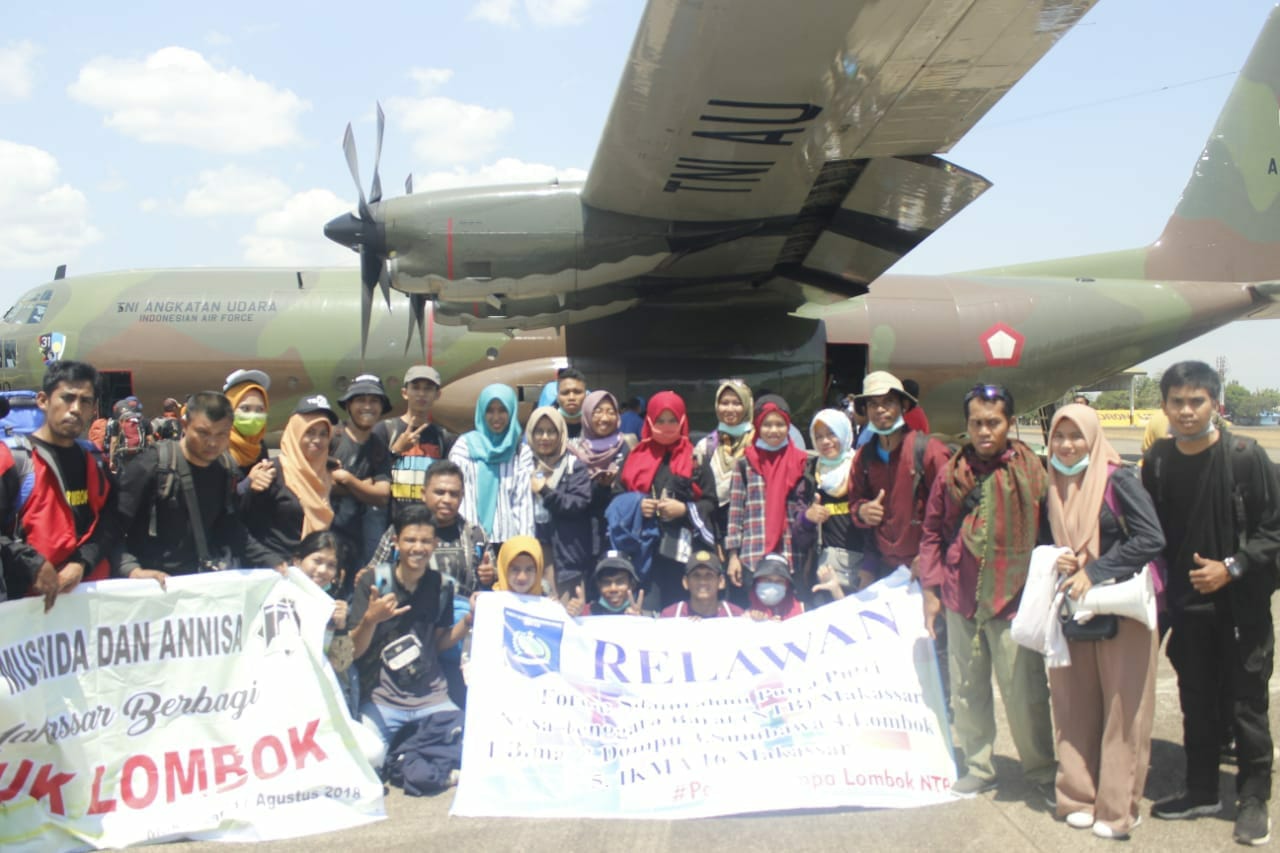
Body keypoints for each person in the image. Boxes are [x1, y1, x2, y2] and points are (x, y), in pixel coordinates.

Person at [1142, 361, 1280, 845]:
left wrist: (1233, 567)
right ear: (1164, 406)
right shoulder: (1157, 461)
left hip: (1240, 609)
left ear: (1214, 405)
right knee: (1195, 703)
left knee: (1246, 707)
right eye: (1176, 401)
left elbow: (1274, 532)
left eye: (1196, 400)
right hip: (1188, 610)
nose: (1185, 410)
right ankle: (1201, 789)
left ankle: (1253, 798)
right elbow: (1148, 531)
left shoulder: (1246, 458)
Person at [918, 383, 1055, 803]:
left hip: (1013, 599)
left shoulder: (1032, 471)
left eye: (993, 422)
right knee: (967, 688)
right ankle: (979, 767)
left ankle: (1042, 771)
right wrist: (931, 588)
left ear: (1010, 424)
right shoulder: (951, 473)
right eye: (976, 422)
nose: (984, 431)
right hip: (961, 597)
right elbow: (931, 532)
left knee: (1024, 693)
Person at [1045, 404, 1165, 840]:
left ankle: (1118, 808)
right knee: (1074, 705)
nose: (1067, 444)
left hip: (1121, 609)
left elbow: (1152, 538)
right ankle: (1077, 795)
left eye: (1076, 436)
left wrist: (1093, 570)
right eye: (1060, 436)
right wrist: (1060, 560)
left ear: (1093, 437)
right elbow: (1051, 540)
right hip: (1076, 609)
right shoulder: (1055, 482)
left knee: (1123, 711)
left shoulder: (1118, 479)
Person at [349, 504, 467, 791]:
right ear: (395, 542)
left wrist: (470, 621)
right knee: (363, 762)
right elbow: (354, 651)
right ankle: (411, 753)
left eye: (426, 541)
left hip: (431, 698)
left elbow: (439, 644)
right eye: (410, 540)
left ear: (435, 544)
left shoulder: (441, 586)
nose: (418, 548)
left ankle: (406, 755)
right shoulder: (374, 582)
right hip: (381, 701)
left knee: (474, 752)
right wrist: (370, 619)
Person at [114, 391, 284, 582]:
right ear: (185, 425)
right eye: (203, 433)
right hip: (151, 587)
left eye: (221, 434)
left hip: (198, 587)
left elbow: (228, 527)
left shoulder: (226, 468)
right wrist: (130, 569)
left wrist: (271, 561)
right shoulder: (153, 464)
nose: (212, 442)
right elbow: (112, 526)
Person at [0, 360, 118, 611]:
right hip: (26, 610)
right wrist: (32, 564)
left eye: (85, 401)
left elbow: (112, 521)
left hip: (90, 605)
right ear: (43, 400)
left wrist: (82, 563)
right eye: (67, 398)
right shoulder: (12, 459)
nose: (75, 409)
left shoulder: (96, 460)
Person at [617, 391, 717, 610]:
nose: (666, 426)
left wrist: (684, 509)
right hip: (644, 556)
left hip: (684, 557)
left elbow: (711, 502)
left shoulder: (695, 459)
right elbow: (617, 497)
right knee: (647, 616)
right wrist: (637, 505)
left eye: (672, 420)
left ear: (682, 420)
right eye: (660, 420)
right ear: (649, 420)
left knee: (681, 618)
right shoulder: (635, 457)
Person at [849, 372, 952, 579]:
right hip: (885, 571)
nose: (880, 409)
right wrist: (862, 511)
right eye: (872, 404)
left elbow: (952, 511)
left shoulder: (930, 452)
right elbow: (854, 502)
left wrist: (931, 555)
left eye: (888, 402)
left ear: (903, 406)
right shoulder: (863, 458)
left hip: (926, 568)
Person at [725, 399, 809, 593]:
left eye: (780, 424)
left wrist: (809, 558)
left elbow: (805, 512)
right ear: (758, 426)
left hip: (791, 555)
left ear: (788, 426)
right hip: (753, 555)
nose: (774, 430)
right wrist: (733, 556)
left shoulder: (801, 462)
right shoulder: (745, 463)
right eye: (767, 424)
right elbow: (736, 512)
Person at [245, 396, 337, 559]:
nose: (317, 440)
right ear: (295, 433)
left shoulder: (327, 474)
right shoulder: (271, 471)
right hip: (275, 571)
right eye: (309, 432)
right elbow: (246, 524)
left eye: (323, 434)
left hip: (313, 572)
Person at [449, 384, 534, 543]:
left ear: (512, 411)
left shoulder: (520, 451)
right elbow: (460, 495)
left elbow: (523, 504)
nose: (496, 417)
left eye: (502, 410)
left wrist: (525, 545)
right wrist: (469, 538)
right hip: (470, 540)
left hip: (508, 542)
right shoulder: (465, 446)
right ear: (481, 412)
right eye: (490, 410)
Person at [795, 408, 864, 602]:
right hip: (824, 567)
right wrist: (807, 518)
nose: (825, 442)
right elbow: (799, 525)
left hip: (860, 565)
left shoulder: (860, 468)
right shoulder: (812, 472)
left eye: (831, 434)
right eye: (819, 437)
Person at [373, 365, 455, 527]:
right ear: (405, 392)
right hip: (390, 523)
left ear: (437, 395)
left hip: (428, 526)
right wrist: (396, 450)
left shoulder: (443, 437)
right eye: (415, 388)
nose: (421, 394)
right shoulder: (385, 430)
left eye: (428, 389)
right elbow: (373, 473)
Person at [570, 390, 633, 593]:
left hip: (619, 535)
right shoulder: (575, 452)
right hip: (584, 538)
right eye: (597, 411)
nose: (604, 418)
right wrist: (600, 488)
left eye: (610, 412)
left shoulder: (627, 448)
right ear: (587, 414)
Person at [527, 405, 593, 592]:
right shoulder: (523, 464)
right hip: (532, 550)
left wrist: (546, 492)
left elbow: (579, 503)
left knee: (567, 610)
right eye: (539, 431)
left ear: (561, 434)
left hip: (565, 555)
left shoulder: (573, 465)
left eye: (551, 431)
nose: (545, 438)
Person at [331, 375, 393, 572]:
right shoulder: (332, 436)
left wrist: (348, 480)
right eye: (361, 400)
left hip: (359, 541)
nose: (368, 406)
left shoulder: (378, 446)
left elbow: (382, 496)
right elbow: (318, 481)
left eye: (374, 401)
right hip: (326, 537)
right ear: (348, 405)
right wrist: (365, 487)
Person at [293, 530, 358, 716]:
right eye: (317, 561)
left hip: (321, 695)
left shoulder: (334, 607)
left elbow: (341, 664)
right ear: (297, 561)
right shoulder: (277, 599)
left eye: (331, 565)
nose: (322, 570)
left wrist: (340, 627)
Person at [692, 380, 754, 541]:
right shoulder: (706, 445)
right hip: (713, 528)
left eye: (737, 403)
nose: (730, 409)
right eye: (724, 403)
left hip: (750, 530)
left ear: (747, 405)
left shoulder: (758, 444)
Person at [660, 549, 743, 619]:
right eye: (696, 575)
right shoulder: (670, 616)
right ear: (685, 582)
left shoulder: (737, 616)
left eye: (709, 575)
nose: (702, 581)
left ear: (721, 582)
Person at [223, 368, 272, 484]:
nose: (253, 416)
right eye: (245, 408)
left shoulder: (260, 447)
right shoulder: (216, 447)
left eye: (260, 409)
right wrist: (250, 482)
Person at [581, 551, 647, 616]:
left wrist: (640, 620)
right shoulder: (584, 613)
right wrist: (574, 615)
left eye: (620, 582)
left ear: (632, 584)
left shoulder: (650, 619)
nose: (613, 589)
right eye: (606, 582)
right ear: (598, 586)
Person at [746, 553, 804, 621]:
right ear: (757, 581)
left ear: (787, 585)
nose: (772, 586)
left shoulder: (802, 610)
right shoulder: (744, 613)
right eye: (767, 580)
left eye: (779, 581)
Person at [105, 396, 151, 473]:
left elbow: (114, 442)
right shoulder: (144, 421)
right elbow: (150, 440)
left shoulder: (117, 422)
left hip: (124, 455)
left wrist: (111, 460)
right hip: (140, 454)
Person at [555, 366, 589, 440]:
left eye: (577, 392)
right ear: (557, 397)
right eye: (565, 393)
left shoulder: (595, 425)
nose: (571, 397)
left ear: (586, 395)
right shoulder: (547, 424)